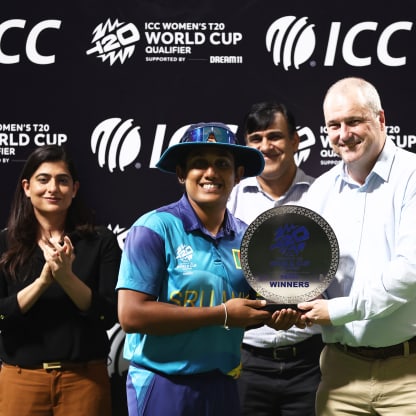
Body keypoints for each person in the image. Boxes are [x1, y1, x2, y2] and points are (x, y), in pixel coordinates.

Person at [116, 122, 301, 416]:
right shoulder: (154, 228)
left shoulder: (247, 237)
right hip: (163, 384)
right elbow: (131, 315)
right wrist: (223, 314)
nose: (211, 173)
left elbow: (247, 309)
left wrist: (275, 316)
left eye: (222, 164)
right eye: (199, 164)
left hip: (223, 385)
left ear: (237, 174)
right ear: (181, 174)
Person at [297, 77, 416, 415]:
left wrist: (335, 311)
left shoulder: (412, 176)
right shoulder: (320, 191)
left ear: (380, 120)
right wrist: (290, 299)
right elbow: (302, 267)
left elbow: (409, 272)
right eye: (334, 125)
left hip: (408, 375)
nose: (343, 134)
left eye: (354, 121)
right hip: (340, 372)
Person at [0, 145, 121, 416]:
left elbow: (109, 315)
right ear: (27, 187)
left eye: (62, 180)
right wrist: (43, 282)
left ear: (74, 189)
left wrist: (66, 278)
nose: (52, 188)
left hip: (85, 380)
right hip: (22, 380)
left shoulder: (100, 242)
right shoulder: (5, 244)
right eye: (43, 179)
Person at [227, 101, 323, 416]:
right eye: (256, 138)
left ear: (295, 141)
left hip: (311, 362)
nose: (265, 146)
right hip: (247, 360)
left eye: (275, 137)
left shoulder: (323, 195)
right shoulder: (231, 199)